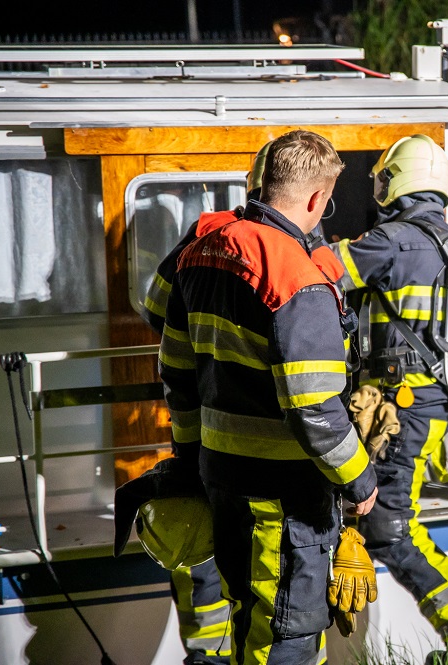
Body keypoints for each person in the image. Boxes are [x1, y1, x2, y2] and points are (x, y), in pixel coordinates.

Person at [158, 129, 378, 665]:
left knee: (246, 624)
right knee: (286, 640)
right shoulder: (298, 279)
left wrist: (191, 457)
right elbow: (314, 410)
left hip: (222, 481)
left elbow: (177, 372)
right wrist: (358, 479)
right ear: (316, 199)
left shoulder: (200, 251)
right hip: (283, 501)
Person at [329, 134, 448, 665]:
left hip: (399, 409)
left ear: (396, 183)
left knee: (390, 528)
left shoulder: (391, 242)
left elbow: (323, 274)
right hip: (434, 400)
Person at [136, 142, 275, 665]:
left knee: (203, 529)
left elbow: (154, 309)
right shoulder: (306, 249)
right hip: (275, 439)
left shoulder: (207, 235)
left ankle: (205, 654)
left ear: (251, 185)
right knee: (268, 571)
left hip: (201, 419)